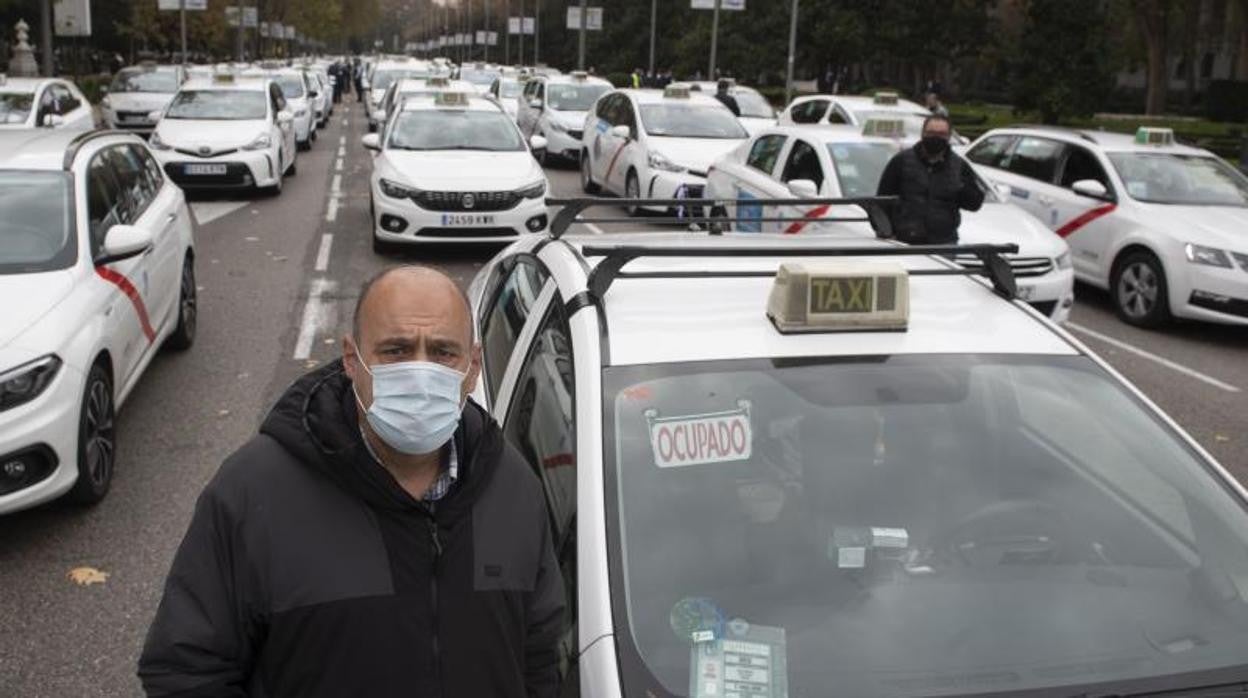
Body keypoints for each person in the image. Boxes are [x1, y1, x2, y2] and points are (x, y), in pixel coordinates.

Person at [138, 266, 565, 698]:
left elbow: (540, 658)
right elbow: (184, 671)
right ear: (350, 359)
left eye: (442, 353)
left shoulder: (513, 489)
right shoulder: (253, 493)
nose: (420, 373)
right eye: (396, 351)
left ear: (472, 367)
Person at [876, 114, 984, 245]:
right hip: (904, 242)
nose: (935, 138)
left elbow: (975, 203)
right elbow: (881, 201)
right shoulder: (901, 162)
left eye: (941, 134)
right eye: (931, 133)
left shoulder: (959, 165)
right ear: (922, 134)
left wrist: (960, 187)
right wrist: (886, 232)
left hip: (944, 244)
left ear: (949, 137)